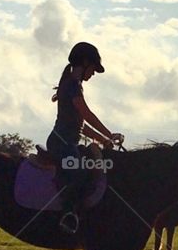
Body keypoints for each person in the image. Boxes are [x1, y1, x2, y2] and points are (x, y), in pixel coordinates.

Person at [46, 42, 123, 234]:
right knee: (79, 172)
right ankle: (68, 215)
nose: (94, 74)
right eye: (94, 69)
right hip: (61, 143)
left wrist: (104, 141)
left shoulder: (75, 85)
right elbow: (87, 114)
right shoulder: (72, 85)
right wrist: (109, 134)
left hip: (69, 141)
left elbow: (81, 126)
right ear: (85, 62)